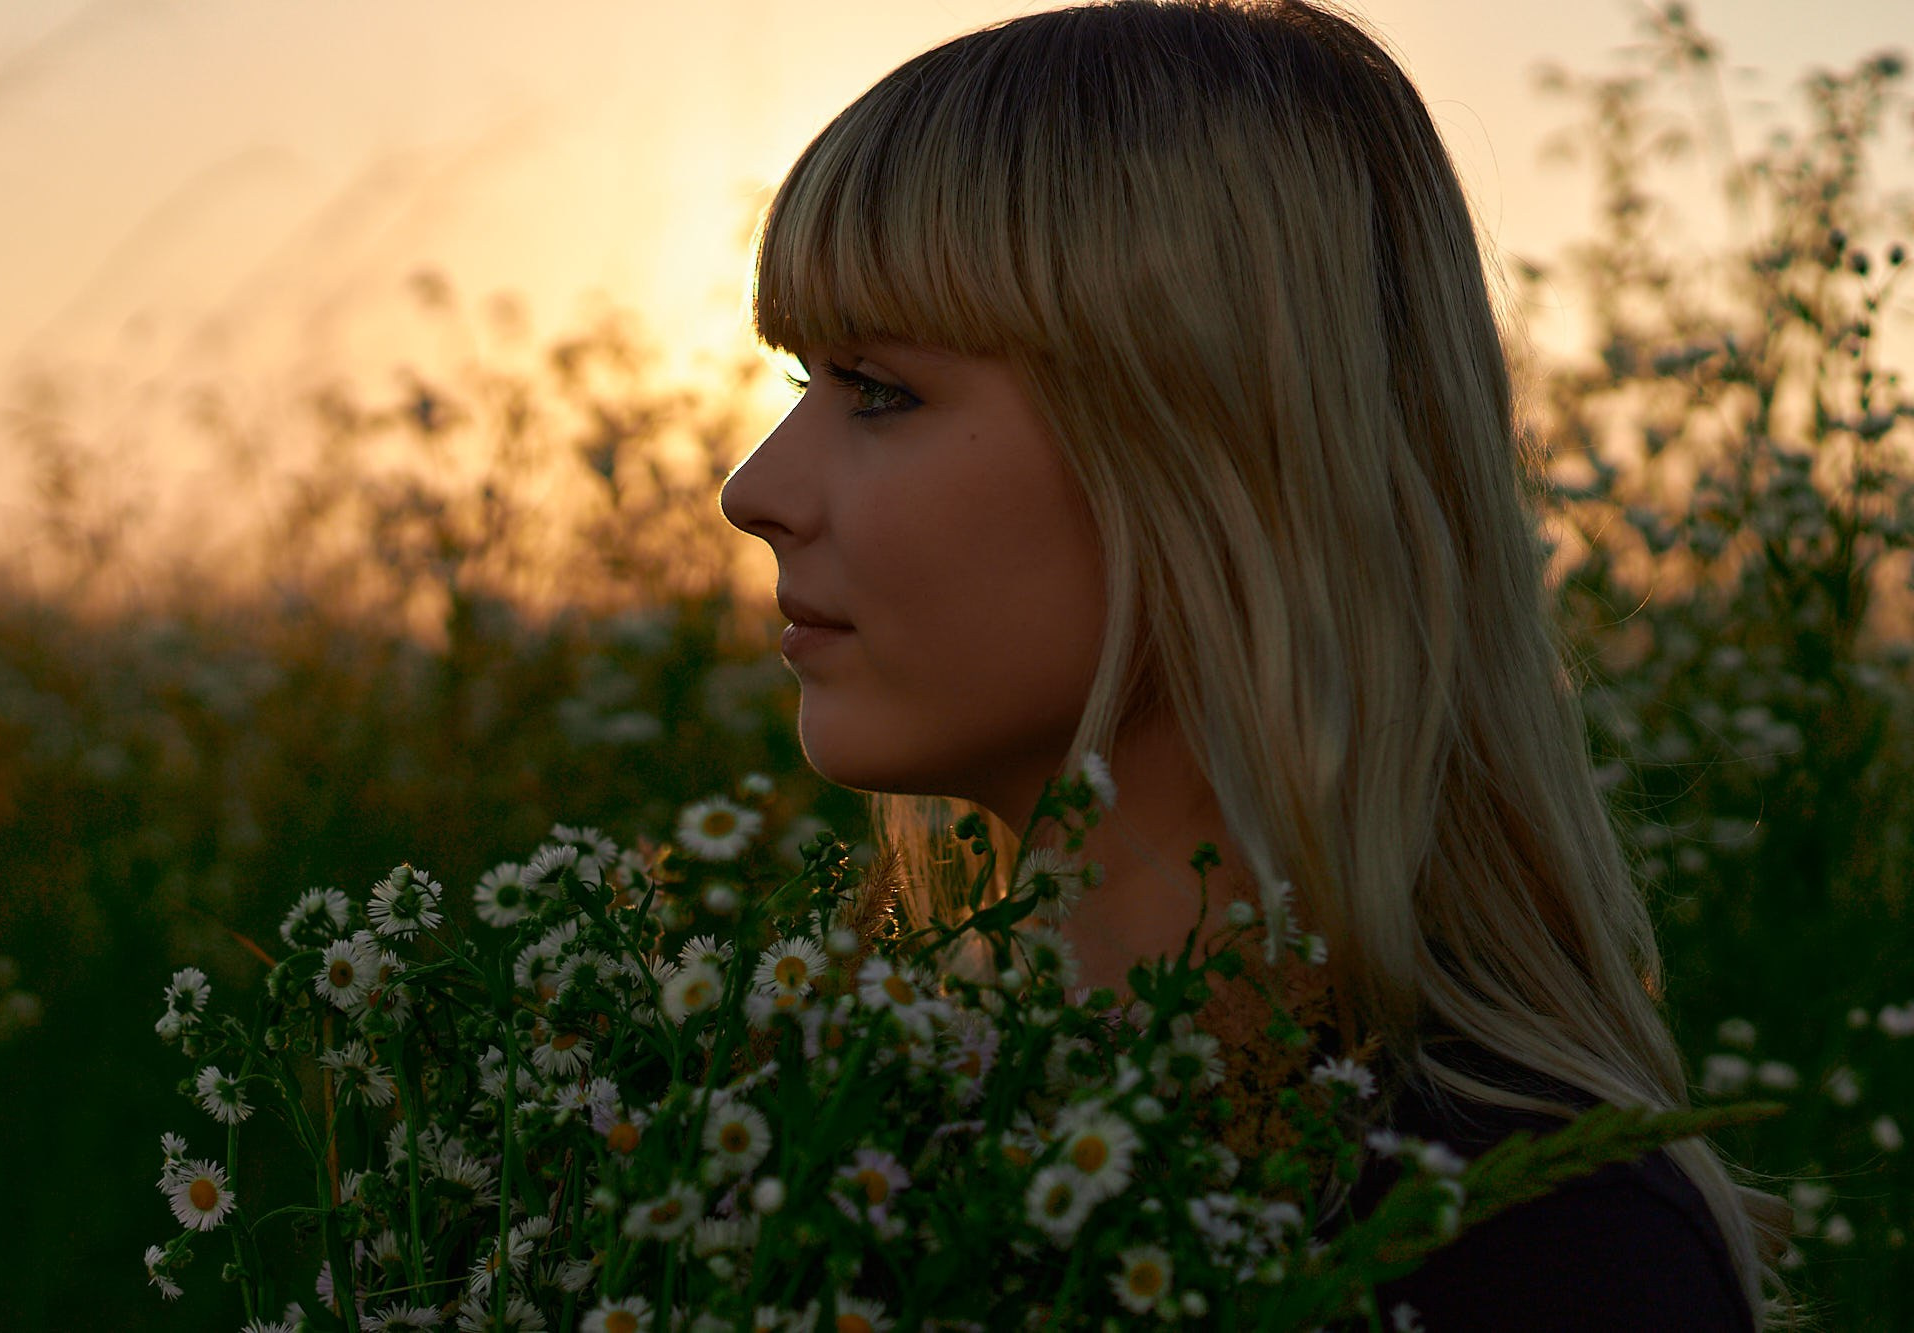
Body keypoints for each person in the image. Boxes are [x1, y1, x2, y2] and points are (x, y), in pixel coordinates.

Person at [718, 0, 1799, 1326]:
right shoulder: (852, 1145)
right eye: (796, 384)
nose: (756, 486)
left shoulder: (1526, 1245)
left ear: (1218, 450)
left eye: (879, 389)